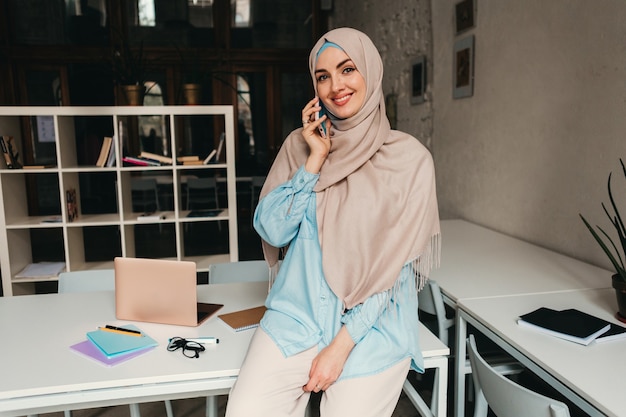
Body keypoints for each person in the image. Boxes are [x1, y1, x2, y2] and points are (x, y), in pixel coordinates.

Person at [225, 27, 440, 417]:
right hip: (298, 315)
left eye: (347, 70)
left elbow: (392, 273)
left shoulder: (410, 161)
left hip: (372, 327)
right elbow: (272, 230)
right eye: (322, 76)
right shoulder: (300, 145)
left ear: (370, 73)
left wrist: (340, 347)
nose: (335, 86)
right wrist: (313, 161)